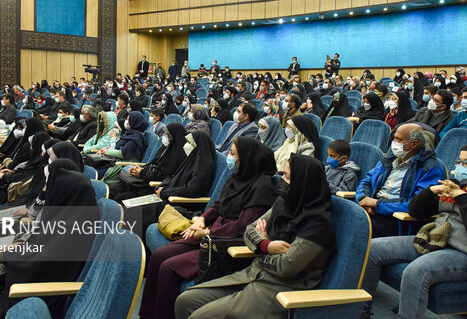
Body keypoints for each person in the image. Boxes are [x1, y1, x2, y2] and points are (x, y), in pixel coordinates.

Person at [175, 154, 335, 319]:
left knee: (200, 317)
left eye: (288, 177)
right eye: (283, 175)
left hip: (280, 290)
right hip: (253, 273)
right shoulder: (284, 202)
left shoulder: (318, 224)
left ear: (303, 183)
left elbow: (286, 267)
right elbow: (250, 229)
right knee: (185, 301)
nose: (282, 181)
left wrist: (260, 249)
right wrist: (266, 245)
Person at [361, 143, 467, 319]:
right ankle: (361, 310)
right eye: (459, 162)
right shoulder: (453, 186)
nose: (460, 167)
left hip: (464, 254)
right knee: (372, 248)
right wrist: (430, 191)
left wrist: (462, 198)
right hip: (433, 241)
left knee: (416, 271)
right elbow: (415, 212)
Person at [139, 137, 277, 319]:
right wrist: (201, 220)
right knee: (158, 256)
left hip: (226, 245)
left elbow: (241, 227)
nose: (230, 157)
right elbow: (217, 205)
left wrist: (207, 232)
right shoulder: (237, 176)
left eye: (234, 154)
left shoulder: (262, 188)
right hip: (210, 234)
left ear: (247, 158)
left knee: (169, 268)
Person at [0, 160, 98, 319]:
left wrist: (6, 255)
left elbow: (41, 263)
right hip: (27, 281)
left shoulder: (71, 232)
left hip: (33, 294)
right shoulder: (71, 219)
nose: (47, 192)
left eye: (52, 191)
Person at [355, 123, 443, 237]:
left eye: (398, 139)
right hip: (371, 210)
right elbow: (366, 182)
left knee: (351, 227)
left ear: (414, 144)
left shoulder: (429, 168)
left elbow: (415, 204)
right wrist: (363, 199)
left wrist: (377, 204)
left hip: (396, 220)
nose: (393, 143)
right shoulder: (388, 161)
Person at [110, 123, 187, 201]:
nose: (164, 135)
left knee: (119, 197)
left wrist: (141, 173)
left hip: (154, 188)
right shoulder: (165, 148)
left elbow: (163, 176)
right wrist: (141, 169)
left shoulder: (178, 156)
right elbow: (153, 164)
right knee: (112, 189)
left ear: (173, 137)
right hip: (145, 181)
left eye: (166, 134)